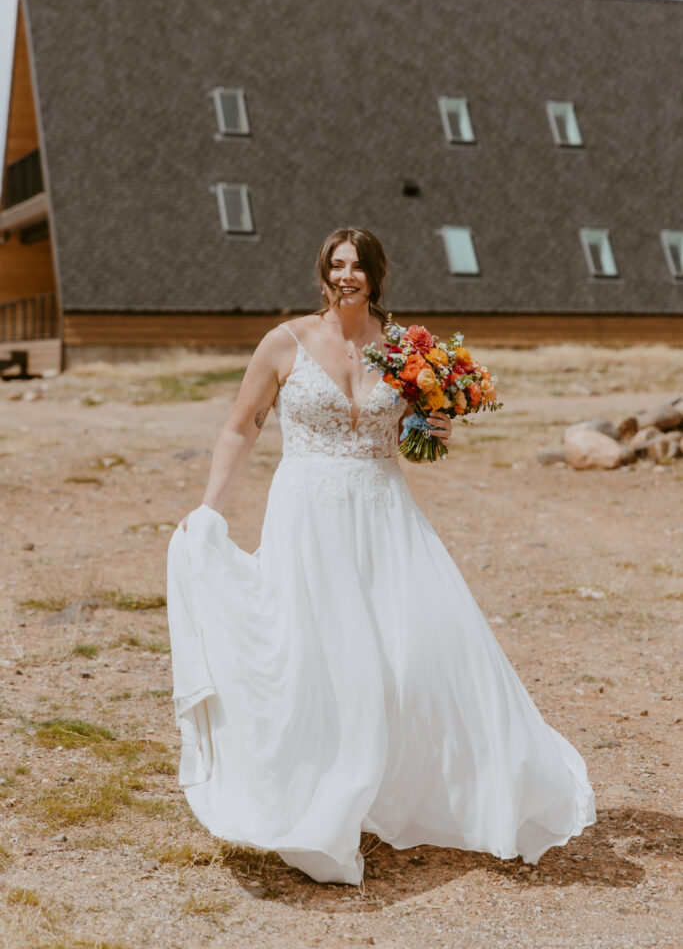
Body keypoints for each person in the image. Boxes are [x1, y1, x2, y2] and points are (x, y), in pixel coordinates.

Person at [166, 226, 596, 886]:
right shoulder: (284, 343)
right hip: (307, 516)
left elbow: (410, 431)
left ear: (374, 276)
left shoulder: (402, 349)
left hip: (383, 513)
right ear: (323, 273)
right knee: (319, 651)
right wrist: (210, 508)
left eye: (358, 266)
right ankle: (322, 796)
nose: (347, 276)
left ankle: (440, 784)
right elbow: (241, 425)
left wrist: (435, 425)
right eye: (337, 265)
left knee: (423, 645)